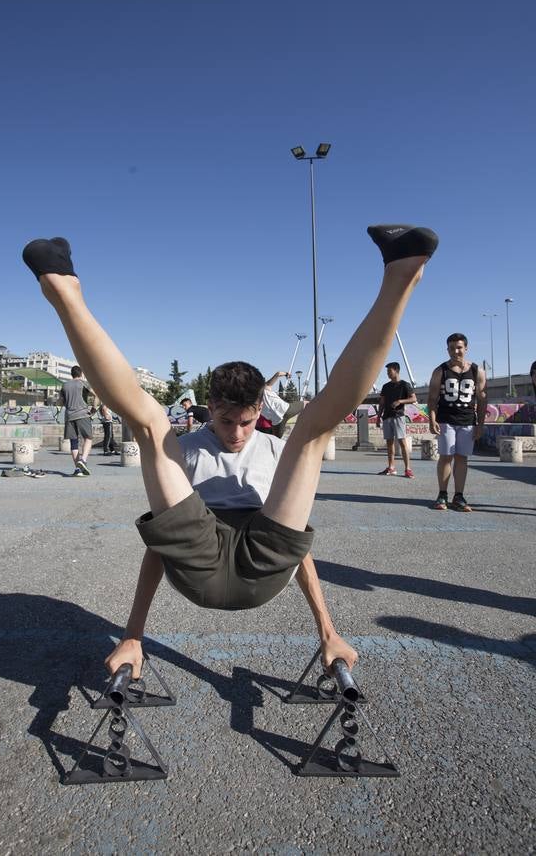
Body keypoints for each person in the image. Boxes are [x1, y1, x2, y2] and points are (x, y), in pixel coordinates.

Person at [22, 224, 438, 680]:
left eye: (246, 422)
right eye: (225, 421)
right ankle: (63, 291)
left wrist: (328, 632)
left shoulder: (274, 449)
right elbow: (160, 547)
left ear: (260, 410)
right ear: (210, 407)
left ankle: (401, 277)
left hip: (262, 568)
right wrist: (133, 635)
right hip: (199, 565)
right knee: (151, 426)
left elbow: (298, 551)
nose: (237, 434)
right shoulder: (186, 450)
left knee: (311, 433)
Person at [427, 333, 487, 511]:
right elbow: (432, 398)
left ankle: (459, 496)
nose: (455, 351)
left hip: (467, 421)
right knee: (446, 457)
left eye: (459, 347)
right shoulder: (440, 371)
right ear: (447, 350)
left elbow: (482, 399)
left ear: (466, 348)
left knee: (462, 458)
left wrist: (480, 424)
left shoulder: (477, 371)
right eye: (451, 348)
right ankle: (442, 494)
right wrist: (432, 419)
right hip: (446, 420)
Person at [376, 361, 417, 477]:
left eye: (389, 371)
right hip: (386, 417)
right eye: (387, 371)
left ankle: (408, 469)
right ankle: (391, 467)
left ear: (396, 371)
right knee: (389, 444)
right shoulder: (385, 386)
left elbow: (413, 399)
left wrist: (400, 401)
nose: (388, 373)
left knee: (402, 443)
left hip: (398, 416)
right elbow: (382, 403)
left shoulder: (405, 385)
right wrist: (378, 417)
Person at [59, 365, 94, 477]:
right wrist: (93, 409)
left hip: (69, 416)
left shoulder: (65, 385)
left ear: (71, 374)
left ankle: (78, 470)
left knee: (73, 442)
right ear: (81, 373)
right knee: (88, 438)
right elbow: (96, 395)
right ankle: (83, 460)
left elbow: (60, 402)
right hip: (82, 414)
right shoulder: (84, 383)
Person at [258, 371, 305, 438]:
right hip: (287, 410)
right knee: (307, 403)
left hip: (277, 422)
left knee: (276, 440)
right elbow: (278, 373)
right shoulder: (265, 387)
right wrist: (286, 374)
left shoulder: (252, 399)